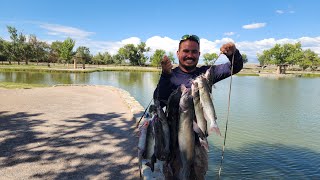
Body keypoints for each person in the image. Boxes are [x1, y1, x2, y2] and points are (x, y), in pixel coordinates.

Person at [153, 34, 243, 179]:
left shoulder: (207, 73)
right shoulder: (170, 75)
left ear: (199, 54)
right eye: (186, 51)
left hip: (198, 144)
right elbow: (158, 101)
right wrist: (164, 75)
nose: (190, 55)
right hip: (173, 142)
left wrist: (233, 53)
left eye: (194, 52)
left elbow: (235, 67)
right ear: (178, 53)